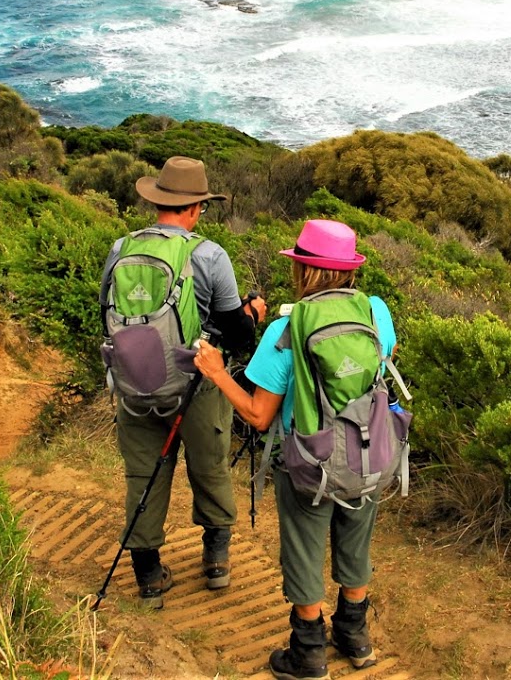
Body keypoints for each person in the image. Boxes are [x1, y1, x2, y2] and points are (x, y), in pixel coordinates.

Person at [195, 218, 396, 680]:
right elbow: (386, 355)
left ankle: (308, 652)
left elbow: (258, 415)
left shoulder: (285, 329)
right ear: (348, 269)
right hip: (368, 452)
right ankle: (355, 636)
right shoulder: (375, 312)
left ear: (303, 270)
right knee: (356, 540)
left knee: (305, 550)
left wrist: (217, 372)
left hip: (309, 461)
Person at [99, 156, 266, 608]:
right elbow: (237, 336)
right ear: (194, 209)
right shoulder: (209, 255)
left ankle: (148, 575)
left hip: (135, 382)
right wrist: (253, 313)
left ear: (159, 203)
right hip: (197, 382)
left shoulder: (121, 249)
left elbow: (106, 316)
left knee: (143, 473)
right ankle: (215, 562)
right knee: (209, 464)